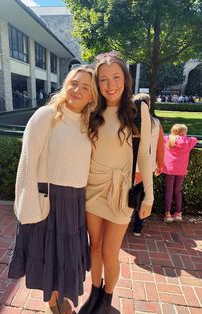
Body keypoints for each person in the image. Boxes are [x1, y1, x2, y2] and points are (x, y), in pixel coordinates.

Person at [8, 65, 98, 314]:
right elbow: (27, 162)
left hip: (75, 201)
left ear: (93, 96)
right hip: (49, 200)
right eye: (74, 83)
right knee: (51, 255)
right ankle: (53, 300)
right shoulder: (46, 115)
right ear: (65, 84)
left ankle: (59, 296)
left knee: (66, 257)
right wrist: (27, 204)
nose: (77, 90)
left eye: (86, 87)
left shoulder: (89, 123)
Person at [78, 52, 154, 314]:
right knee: (95, 247)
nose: (110, 85)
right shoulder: (91, 109)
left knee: (110, 252)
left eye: (116, 77)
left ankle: (107, 299)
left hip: (121, 192)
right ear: (97, 83)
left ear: (126, 78)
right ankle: (95, 293)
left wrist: (149, 197)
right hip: (92, 189)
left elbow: (145, 155)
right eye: (103, 79)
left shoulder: (137, 110)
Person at [133, 93, 165, 237]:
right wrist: (160, 164)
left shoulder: (129, 121)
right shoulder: (156, 123)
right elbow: (160, 147)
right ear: (149, 105)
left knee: (130, 196)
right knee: (142, 198)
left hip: (131, 167)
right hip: (147, 167)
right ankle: (137, 227)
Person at [163, 124, 198, 223]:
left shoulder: (167, 139)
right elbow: (195, 139)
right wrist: (184, 136)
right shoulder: (187, 141)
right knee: (177, 190)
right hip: (181, 170)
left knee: (169, 190)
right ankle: (178, 213)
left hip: (169, 169)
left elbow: (159, 137)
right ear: (183, 133)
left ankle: (168, 213)